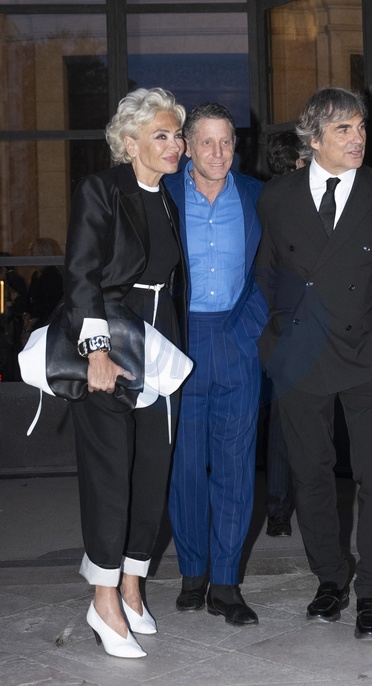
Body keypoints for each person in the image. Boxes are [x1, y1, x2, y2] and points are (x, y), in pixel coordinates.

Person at [256, 86, 372, 640]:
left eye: (361, 127)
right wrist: (274, 340)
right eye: (344, 130)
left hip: (370, 353)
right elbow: (266, 273)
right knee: (310, 473)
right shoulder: (277, 197)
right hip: (301, 354)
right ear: (314, 139)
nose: (359, 139)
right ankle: (330, 578)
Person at [63, 87, 188, 658]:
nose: (174, 145)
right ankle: (104, 598)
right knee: (110, 475)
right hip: (111, 343)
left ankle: (133, 587)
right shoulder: (102, 189)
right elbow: (82, 273)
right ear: (129, 142)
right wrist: (95, 352)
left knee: (151, 471)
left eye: (176, 135)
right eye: (161, 135)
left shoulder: (167, 198)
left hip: (160, 347)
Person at [164, 102, 267, 626]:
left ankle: (225, 583)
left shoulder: (257, 196)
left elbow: (277, 269)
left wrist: (250, 329)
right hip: (179, 342)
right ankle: (193, 572)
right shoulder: (162, 194)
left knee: (234, 468)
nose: (218, 152)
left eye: (226, 141)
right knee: (184, 469)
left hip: (236, 339)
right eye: (206, 141)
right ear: (187, 146)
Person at [264, 131, 306, 537]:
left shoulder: (259, 200)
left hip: (270, 322)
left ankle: (278, 509)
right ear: (298, 162)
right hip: (296, 323)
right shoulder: (298, 202)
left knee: (279, 418)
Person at [22, 237, 64, 345]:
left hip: (47, 325)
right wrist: (27, 314)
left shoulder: (52, 275)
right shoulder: (36, 275)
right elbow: (30, 299)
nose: (29, 255)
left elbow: (49, 304)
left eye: (32, 252)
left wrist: (33, 320)